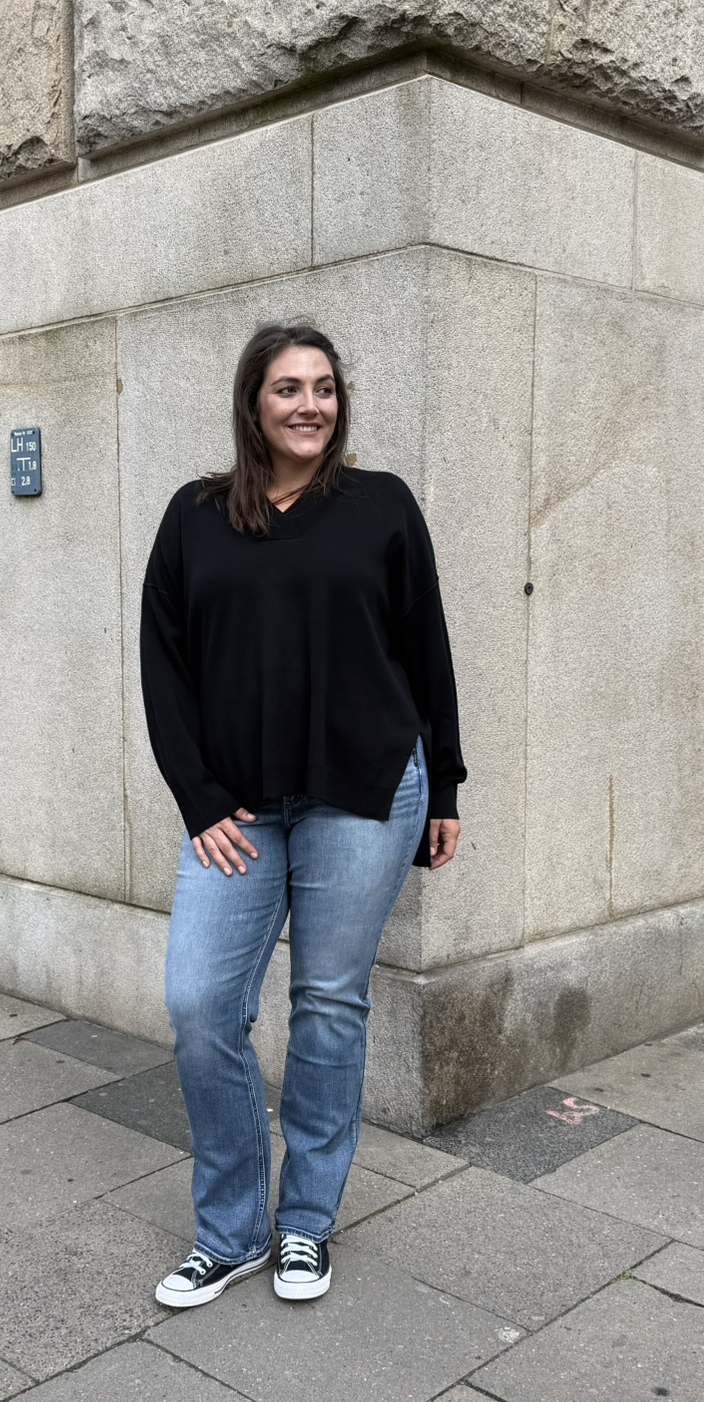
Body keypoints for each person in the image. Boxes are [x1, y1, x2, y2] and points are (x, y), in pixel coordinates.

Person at [139, 321, 465, 1308]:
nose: (309, 405)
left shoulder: (380, 507)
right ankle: (229, 1229)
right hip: (238, 809)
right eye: (287, 388)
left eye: (323, 387)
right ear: (253, 404)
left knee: (328, 1006)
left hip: (364, 792)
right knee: (201, 1007)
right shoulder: (195, 515)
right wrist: (197, 798)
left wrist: (443, 785)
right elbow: (163, 663)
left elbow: (427, 652)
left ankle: (303, 1226)